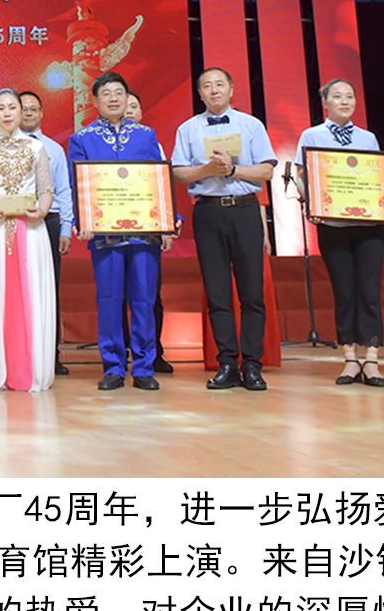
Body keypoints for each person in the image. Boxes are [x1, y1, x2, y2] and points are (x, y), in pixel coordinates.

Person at [171, 67, 277, 391]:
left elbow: (267, 171)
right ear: (200, 93)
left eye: (220, 84)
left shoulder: (251, 124)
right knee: (217, 293)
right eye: (207, 85)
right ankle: (227, 363)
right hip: (208, 212)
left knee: (252, 292)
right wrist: (208, 169)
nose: (214, 90)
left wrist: (233, 170)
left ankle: (253, 364)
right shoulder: (188, 128)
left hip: (244, 211)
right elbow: (178, 173)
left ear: (231, 90)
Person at [69, 71, 177, 391]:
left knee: (144, 299)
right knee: (109, 299)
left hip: (145, 231)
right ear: (95, 100)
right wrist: (81, 220)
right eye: (106, 93)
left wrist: (170, 219)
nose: (113, 98)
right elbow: (77, 186)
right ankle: (113, 366)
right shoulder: (82, 138)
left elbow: (159, 178)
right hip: (105, 234)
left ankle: (143, 366)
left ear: (128, 98)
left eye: (119, 92)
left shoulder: (146, 135)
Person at [293, 79, 384, 387]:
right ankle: (349, 358)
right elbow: (300, 174)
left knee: (370, 292)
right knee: (344, 291)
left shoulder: (368, 137)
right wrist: (313, 203)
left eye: (349, 96)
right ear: (325, 103)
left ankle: (371, 359)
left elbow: (379, 176)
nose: (344, 101)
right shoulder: (312, 135)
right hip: (333, 227)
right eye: (337, 96)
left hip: (369, 227)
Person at [0, 88, 57, 392]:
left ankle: (31, 368)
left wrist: (42, 210)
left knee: (30, 291)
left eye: (12, 107)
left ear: (21, 112)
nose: (7, 113)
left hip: (31, 229)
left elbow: (46, 189)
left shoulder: (36, 147)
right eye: (1, 108)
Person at [19, 90, 74, 375]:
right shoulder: (3, 147)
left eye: (33, 109)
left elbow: (64, 190)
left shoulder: (54, 149)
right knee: (17, 288)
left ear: (41, 113)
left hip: (49, 221)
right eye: (23, 108)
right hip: (15, 221)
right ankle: (18, 353)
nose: (28, 113)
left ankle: (50, 356)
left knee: (48, 288)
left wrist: (65, 227)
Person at [123, 87, 173, 375]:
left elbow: (162, 186)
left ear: (141, 113)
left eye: (133, 107)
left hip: (148, 228)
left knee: (150, 295)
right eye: (124, 106)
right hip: (114, 228)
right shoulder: (103, 144)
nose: (128, 111)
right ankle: (122, 353)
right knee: (118, 297)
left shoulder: (152, 142)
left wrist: (167, 225)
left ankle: (154, 352)